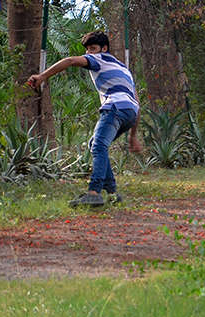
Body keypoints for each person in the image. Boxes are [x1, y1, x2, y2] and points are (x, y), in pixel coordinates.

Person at [27, 31, 142, 207]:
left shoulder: (100, 59)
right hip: (130, 112)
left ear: (104, 49)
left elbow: (70, 61)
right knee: (95, 143)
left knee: (98, 146)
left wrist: (42, 76)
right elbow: (137, 102)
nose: (88, 54)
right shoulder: (124, 68)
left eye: (93, 49)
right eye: (87, 49)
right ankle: (112, 193)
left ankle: (94, 192)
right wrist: (133, 136)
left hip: (115, 108)